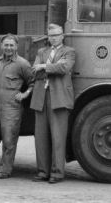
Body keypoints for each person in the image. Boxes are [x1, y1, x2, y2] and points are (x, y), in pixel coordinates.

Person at [31, 23, 76, 184]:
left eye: (56, 35)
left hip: (59, 98)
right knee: (40, 137)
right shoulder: (41, 51)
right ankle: (43, 171)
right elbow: (34, 69)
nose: (53, 38)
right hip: (40, 97)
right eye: (51, 36)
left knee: (58, 137)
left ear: (62, 36)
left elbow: (64, 67)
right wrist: (49, 68)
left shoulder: (69, 51)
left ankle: (57, 173)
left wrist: (44, 66)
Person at [0, 34, 33, 178]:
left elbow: (33, 82)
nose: (9, 48)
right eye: (6, 45)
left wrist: (25, 94)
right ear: (1, 46)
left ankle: (5, 169)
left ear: (16, 47)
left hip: (12, 108)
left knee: (9, 139)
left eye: (11, 45)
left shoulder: (22, 64)